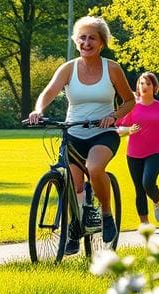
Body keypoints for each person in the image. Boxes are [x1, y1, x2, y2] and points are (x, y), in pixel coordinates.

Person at [27, 16, 135, 254]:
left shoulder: (112, 69)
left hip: (102, 133)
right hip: (73, 133)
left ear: (101, 43)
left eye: (92, 38)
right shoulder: (68, 68)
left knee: (95, 169)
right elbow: (49, 92)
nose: (86, 43)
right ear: (76, 41)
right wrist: (38, 110)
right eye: (82, 38)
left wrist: (115, 116)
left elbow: (130, 100)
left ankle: (107, 215)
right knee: (74, 185)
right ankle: (75, 230)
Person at [115, 72, 159, 225]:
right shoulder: (132, 107)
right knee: (139, 190)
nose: (144, 87)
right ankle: (145, 224)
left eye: (148, 84)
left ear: (154, 87)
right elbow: (117, 127)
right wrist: (128, 130)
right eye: (141, 83)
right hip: (134, 154)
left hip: (156, 152)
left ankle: (158, 200)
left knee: (148, 183)